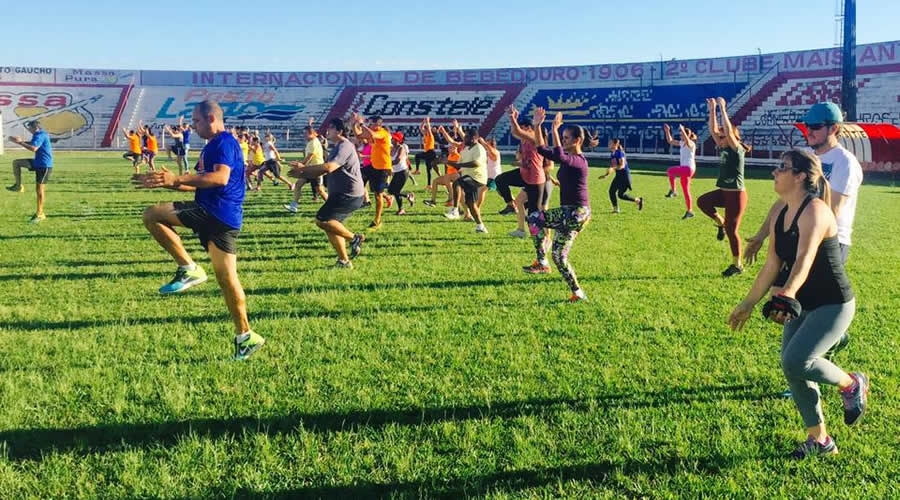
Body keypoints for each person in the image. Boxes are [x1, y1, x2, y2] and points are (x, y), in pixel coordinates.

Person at [728, 148, 868, 459]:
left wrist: (787, 293)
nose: (775, 171)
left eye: (783, 167)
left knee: (797, 360)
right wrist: (748, 303)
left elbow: (804, 259)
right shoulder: (781, 210)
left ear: (801, 176)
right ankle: (820, 440)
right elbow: (772, 264)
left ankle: (851, 384)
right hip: (803, 302)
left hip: (833, 303)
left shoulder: (816, 211)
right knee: (792, 366)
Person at [744, 101, 863, 395]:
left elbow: (831, 210)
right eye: (806, 126)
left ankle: (811, 359)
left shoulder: (845, 163)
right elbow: (785, 203)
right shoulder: (806, 158)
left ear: (834, 129)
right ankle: (822, 345)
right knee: (801, 305)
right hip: (800, 239)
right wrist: (762, 235)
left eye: (815, 126)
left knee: (805, 301)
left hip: (830, 242)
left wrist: (801, 240)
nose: (808, 131)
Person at [133, 100, 265, 361]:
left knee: (152, 215)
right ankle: (246, 336)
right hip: (226, 218)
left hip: (213, 211)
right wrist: (167, 183)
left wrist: (176, 178)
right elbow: (198, 183)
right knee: (227, 280)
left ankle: (189, 267)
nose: (193, 126)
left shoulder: (223, 143)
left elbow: (220, 178)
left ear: (211, 119)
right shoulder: (214, 145)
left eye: (196, 121)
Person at [525, 108, 591, 301]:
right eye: (562, 138)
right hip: (571, 213)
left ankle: (541, 261)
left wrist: (554, 129)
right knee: (559, 256)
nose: (563, 141)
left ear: (578, 140)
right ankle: (578, 293)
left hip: (576, 212)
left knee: (535, 218)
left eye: (567, 138)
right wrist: (537, 126)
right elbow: (541, 149)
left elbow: (560, 155)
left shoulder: (579, 161)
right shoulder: (569, 159)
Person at [290, 118, 367, 268]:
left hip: (348, 194)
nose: (327, 130)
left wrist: (303, 169)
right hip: (341, 193)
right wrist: (303, 172)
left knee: (322, 220)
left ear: (340, 131)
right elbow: (324, 170)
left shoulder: (344, 146)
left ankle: (354, 238)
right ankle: (344, 261)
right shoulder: (338, 146)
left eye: (331, 127)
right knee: (331, 225)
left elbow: (329, 167)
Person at [697, 97, 750, 277]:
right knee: (703, 202)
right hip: (723, 193)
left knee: (732, 230)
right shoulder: (723, 147)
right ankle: (719, 222)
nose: (719, 139)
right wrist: (712, 109)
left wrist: (723, 108)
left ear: (732, 137)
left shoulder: (737, 149)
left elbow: (726, 130)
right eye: (719, 138)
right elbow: (713, 130)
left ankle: (737, 265)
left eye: (722, 137)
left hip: (736, 196)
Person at [497, 106, 546, 220]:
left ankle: (543, 229)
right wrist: (513, 119)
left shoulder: (534, 136)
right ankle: (511, 205)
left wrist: (512, 118)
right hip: (524, 175)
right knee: (500, 179)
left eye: (522, 127)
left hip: (535, 178)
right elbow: (515, 132)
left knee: (534, 212)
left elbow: (517, 131)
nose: (520, 129)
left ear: (529, 128)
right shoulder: (524, 140)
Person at [6, 120, 53, 223]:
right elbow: (32, 144)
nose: (29, 130)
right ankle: (18, 186)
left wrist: (20, 142)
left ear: (35, 127)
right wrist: (18, 141)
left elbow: (34, 148)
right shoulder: (38, 134)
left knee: (39, 190)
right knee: (16, 163)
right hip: (37, 163)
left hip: (44, 166)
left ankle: (40, 214)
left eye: (30, 128)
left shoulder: (40, 135)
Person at [444, 127, 489, 232]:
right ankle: (481, 226)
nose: (465, 139)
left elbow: (476, 163)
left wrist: (459, 165)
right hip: (469, 177)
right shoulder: (465, 150)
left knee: (457, 183)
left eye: (467, 137)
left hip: (477, 178)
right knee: (470, 204)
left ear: (474, 138)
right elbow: (459, 166)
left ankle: (455, 210)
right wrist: (446, 162)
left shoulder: (479, 148)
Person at [351, 114, 392, 228]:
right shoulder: (373, 133)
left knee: (378, 195)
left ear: (377, 124)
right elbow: (359, 135)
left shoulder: (383, 132)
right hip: (373, 165)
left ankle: (377, 220)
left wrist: (361, 124)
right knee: (359, 179)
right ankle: (386, 197)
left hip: (382, 167)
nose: (368, 125)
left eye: (370, 123)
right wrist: (354, 124)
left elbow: (372, 134)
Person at [285, 123, 328, 213]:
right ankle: (294, 206)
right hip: (309, 169)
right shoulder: (310, 142)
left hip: (316, 170)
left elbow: (309, 157)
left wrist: (300, 165)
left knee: (320, 190)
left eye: (305, 133)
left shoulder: (314, 143)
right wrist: (300, 165)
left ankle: (333, 206)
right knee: (298, 185)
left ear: (311, 133)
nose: (304, 135)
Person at [599, 138, 643, 213]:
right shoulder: (612, 154)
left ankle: (638, 201)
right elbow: (613, 166)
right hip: (619, 176)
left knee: (620, 195)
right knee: (612, 192)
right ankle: (616, 209)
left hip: (624, 176)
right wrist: (606, 175)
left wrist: (613, 168)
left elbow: (622, 166)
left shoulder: (620, 153)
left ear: (615, 144)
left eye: (610, 143)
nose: (609, 144)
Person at [663, 123, 697, 219]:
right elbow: (670, 141)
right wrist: (667, 131)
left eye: (681, 135)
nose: (680, 136)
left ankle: (673, 191)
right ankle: (690, 211)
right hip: (685, 170)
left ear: (686, 135)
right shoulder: (682, 143)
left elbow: (687, 140)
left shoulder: (691, 144)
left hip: (688, 168)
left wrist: (683, 130)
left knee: (670, 171)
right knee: (686, 191)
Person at [388, 131, 415, 215]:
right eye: (392, 138)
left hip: (403, 172)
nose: (391, 140)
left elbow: (398, 160)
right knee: (391, 190)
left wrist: (388, 164)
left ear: (397, 140)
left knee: (396, 191)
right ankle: (408, 196)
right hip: (396, 172)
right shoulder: (391, 148)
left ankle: (401, 209)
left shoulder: (401, 148)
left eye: (393, 139)